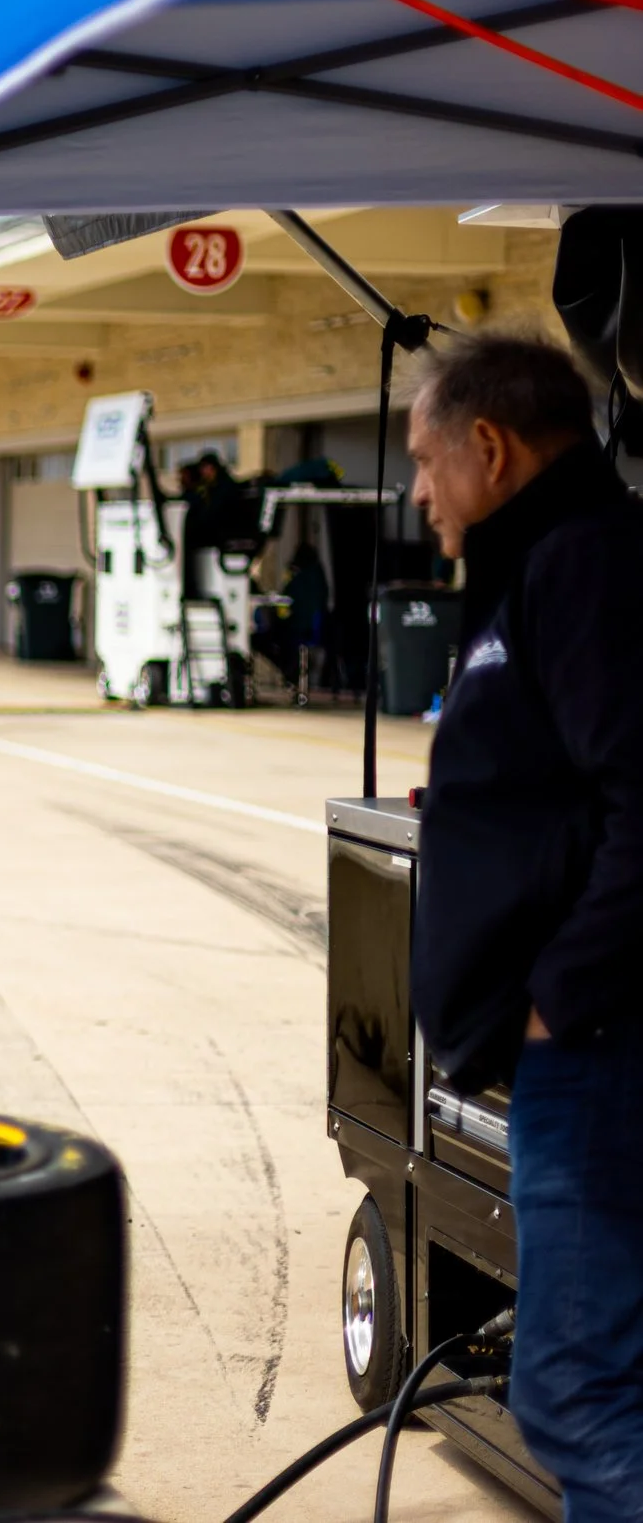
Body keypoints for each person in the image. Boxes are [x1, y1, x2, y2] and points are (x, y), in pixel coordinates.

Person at [407, 333, 643, 1520]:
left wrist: (566, 996)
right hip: (581, 1050)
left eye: (425, 461)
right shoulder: (544, 565)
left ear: (489, 447)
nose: (417, 493)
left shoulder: (583, 563)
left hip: (599, 1054)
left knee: (577, 1396)